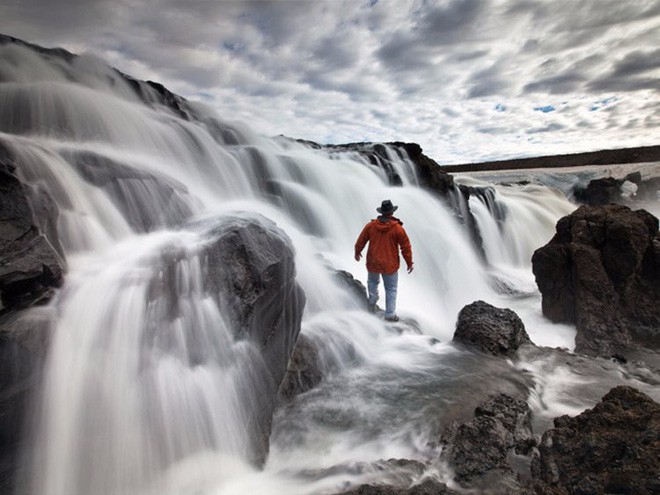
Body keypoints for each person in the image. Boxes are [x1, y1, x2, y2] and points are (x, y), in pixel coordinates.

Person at [354, 199, 413, 322]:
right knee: (391, 289)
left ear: (381, 212)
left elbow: (361, 240)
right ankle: (390, 314)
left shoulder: (370, 226)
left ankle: (371, 303)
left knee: (372, 282)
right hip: (389, 264)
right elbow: (405, 248)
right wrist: (409, 263)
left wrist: (357, 252)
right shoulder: (398, 229)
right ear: (391, 213)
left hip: (373, 261)